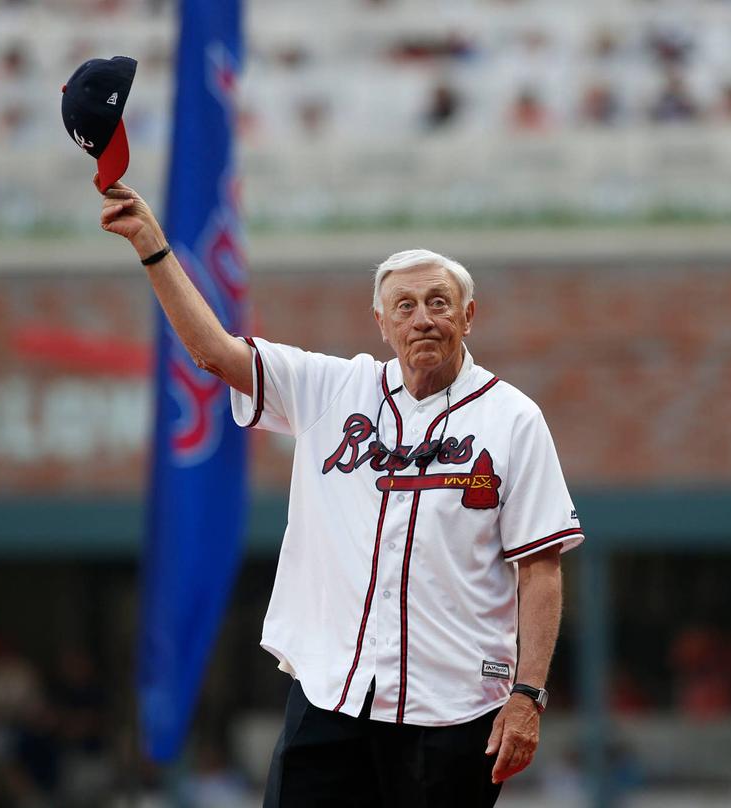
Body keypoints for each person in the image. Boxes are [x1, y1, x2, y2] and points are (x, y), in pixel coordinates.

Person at [95, 176, 584, 807]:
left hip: (457, 710)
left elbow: (539, 569)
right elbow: (213, 353)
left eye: (439, 302)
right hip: (333, 697)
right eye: (404, 306)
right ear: (381, 323)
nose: (422, 318)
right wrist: (152, 246)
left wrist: (528, 695)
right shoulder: (331, 389)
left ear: (469, 316)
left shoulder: (513, 418)